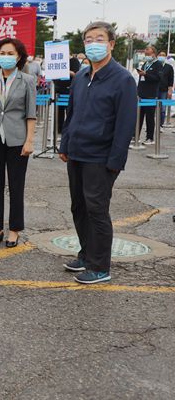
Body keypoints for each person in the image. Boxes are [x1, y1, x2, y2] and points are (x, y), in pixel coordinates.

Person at [59, 21, 136, 284]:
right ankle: (86, 254)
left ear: (111, 44)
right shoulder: (81, 77)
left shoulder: (123, 79)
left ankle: (100, 266)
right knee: (78, 207)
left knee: (97, 210)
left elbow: (125, 124)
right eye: (89, 39)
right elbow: (71, 114)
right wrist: (65, 144)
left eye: (99, 39)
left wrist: (116, 160)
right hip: (76, 153)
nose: (94, 44)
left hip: (101, 157)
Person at [0, 39, 37, 247]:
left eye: (11, 53)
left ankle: (14, 230)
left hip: (18, 139)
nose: (6, 57)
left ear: (19, 57)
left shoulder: (27, 80)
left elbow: (31, 113)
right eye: (3, 53)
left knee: (16, 185)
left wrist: (29, 141)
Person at [136, 45, 163, 144]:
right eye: (145, 54)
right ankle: (136, 136)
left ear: (154, 54)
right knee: (139, 117)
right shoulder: (145, 63)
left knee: (149, 117)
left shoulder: (158, 64)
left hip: (151, 95)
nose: (146, 55)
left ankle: (150, 138)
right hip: (141, 94)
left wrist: (146, 74)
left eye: (148, 54)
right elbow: (141, 79)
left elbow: (158, 78)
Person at [157, 51, 173, 125]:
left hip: (164, 90)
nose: (161, 56)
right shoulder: (156, 66)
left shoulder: (169, 67)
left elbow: (171, 80)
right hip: (155, 90)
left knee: (163, 109)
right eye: (160, 55)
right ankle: (154, 124)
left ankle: (161, 124)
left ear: (165, 57)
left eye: (163, 55)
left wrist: (170, 90)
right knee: (154, 108)